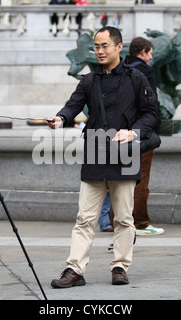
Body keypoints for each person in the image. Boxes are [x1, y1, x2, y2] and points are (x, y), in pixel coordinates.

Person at [47, 26, 159, 287]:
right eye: (96, 46)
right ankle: (75, 270)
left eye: (104, 46)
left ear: (119, 47)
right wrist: (61, 118)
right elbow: (73, 104)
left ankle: (120, 266)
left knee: (123, 218)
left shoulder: (136, 78)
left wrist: (134, 133)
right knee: (84, 218)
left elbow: (151, 114)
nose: (99, 51)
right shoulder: (88, 80)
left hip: (125, 153)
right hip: (95, 152)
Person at [122, 37, 164, 236]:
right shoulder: (145, 71)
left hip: (120, 133)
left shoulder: (119, 67)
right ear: (143, 52)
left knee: (121, 180)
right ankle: (140, 223)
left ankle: (119, 222)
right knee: (141, 179)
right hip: (140, 133)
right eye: (150, 52)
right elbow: (151, 104)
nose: (152, 56)